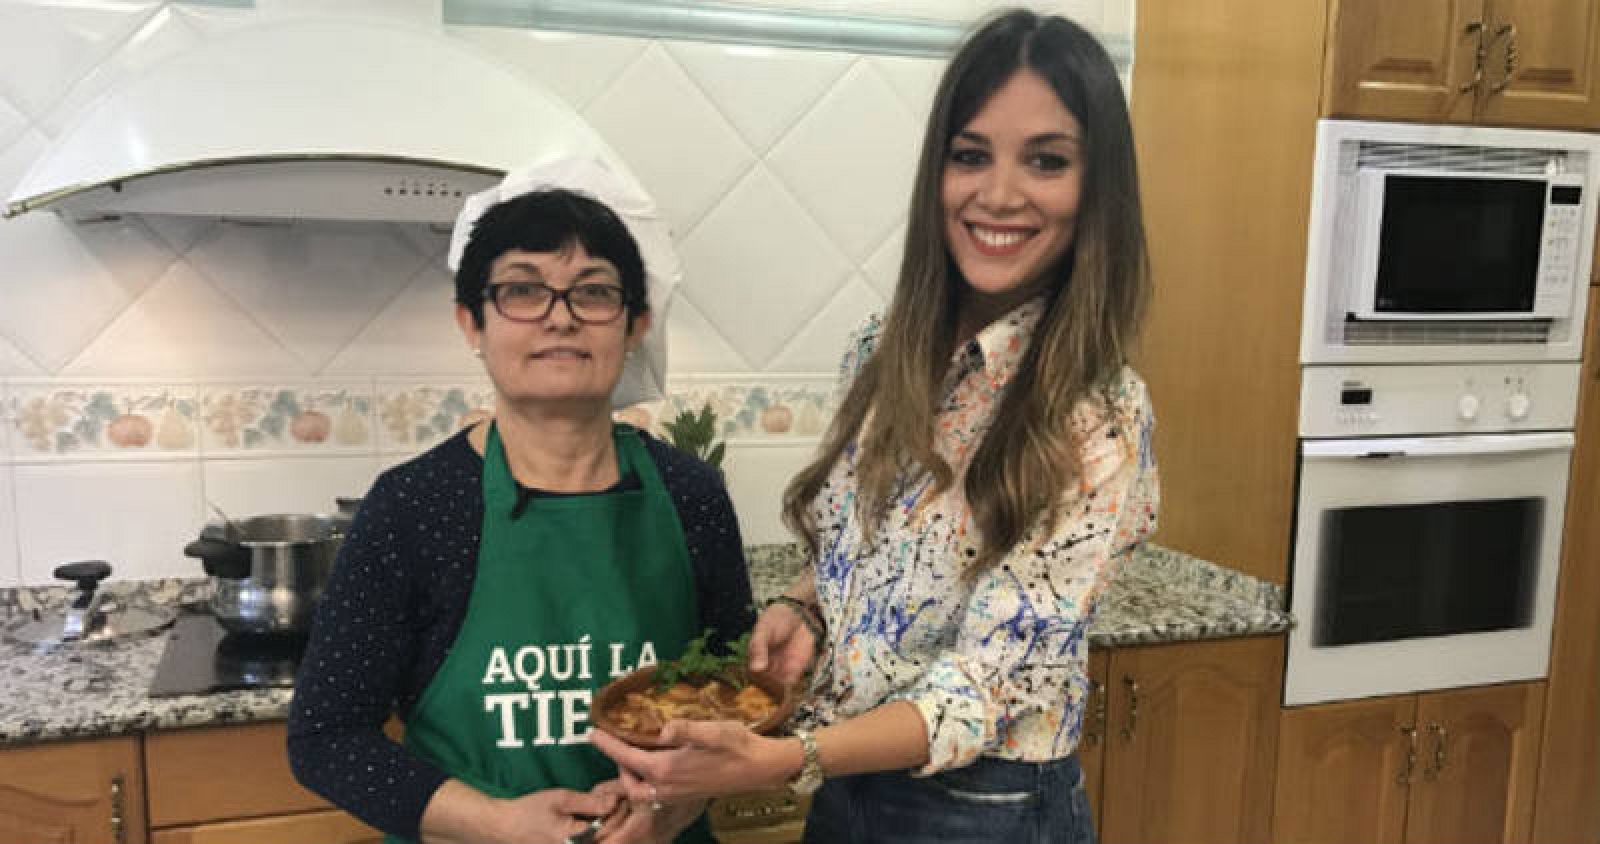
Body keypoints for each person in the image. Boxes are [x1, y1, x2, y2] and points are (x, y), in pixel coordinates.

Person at [590, 10, 1159, 843]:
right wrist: (805, 609)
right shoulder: (881, 349)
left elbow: (988, 684)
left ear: (1096, 187)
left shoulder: (1099, 412)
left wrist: (785, 758)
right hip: (847, 787)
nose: (998, 194)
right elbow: (869, 547)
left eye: (1047, 160)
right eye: (970, 155)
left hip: (986, 810)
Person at [287, 173, 753, 844]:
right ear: (470, 322)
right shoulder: (415, 507)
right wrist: (499, 822)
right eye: (523, 290)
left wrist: (671, 808)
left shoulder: (692, 496)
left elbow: (740, 701)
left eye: (593, 292)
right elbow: (326, 738)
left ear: (635, 326)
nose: (560, 316)